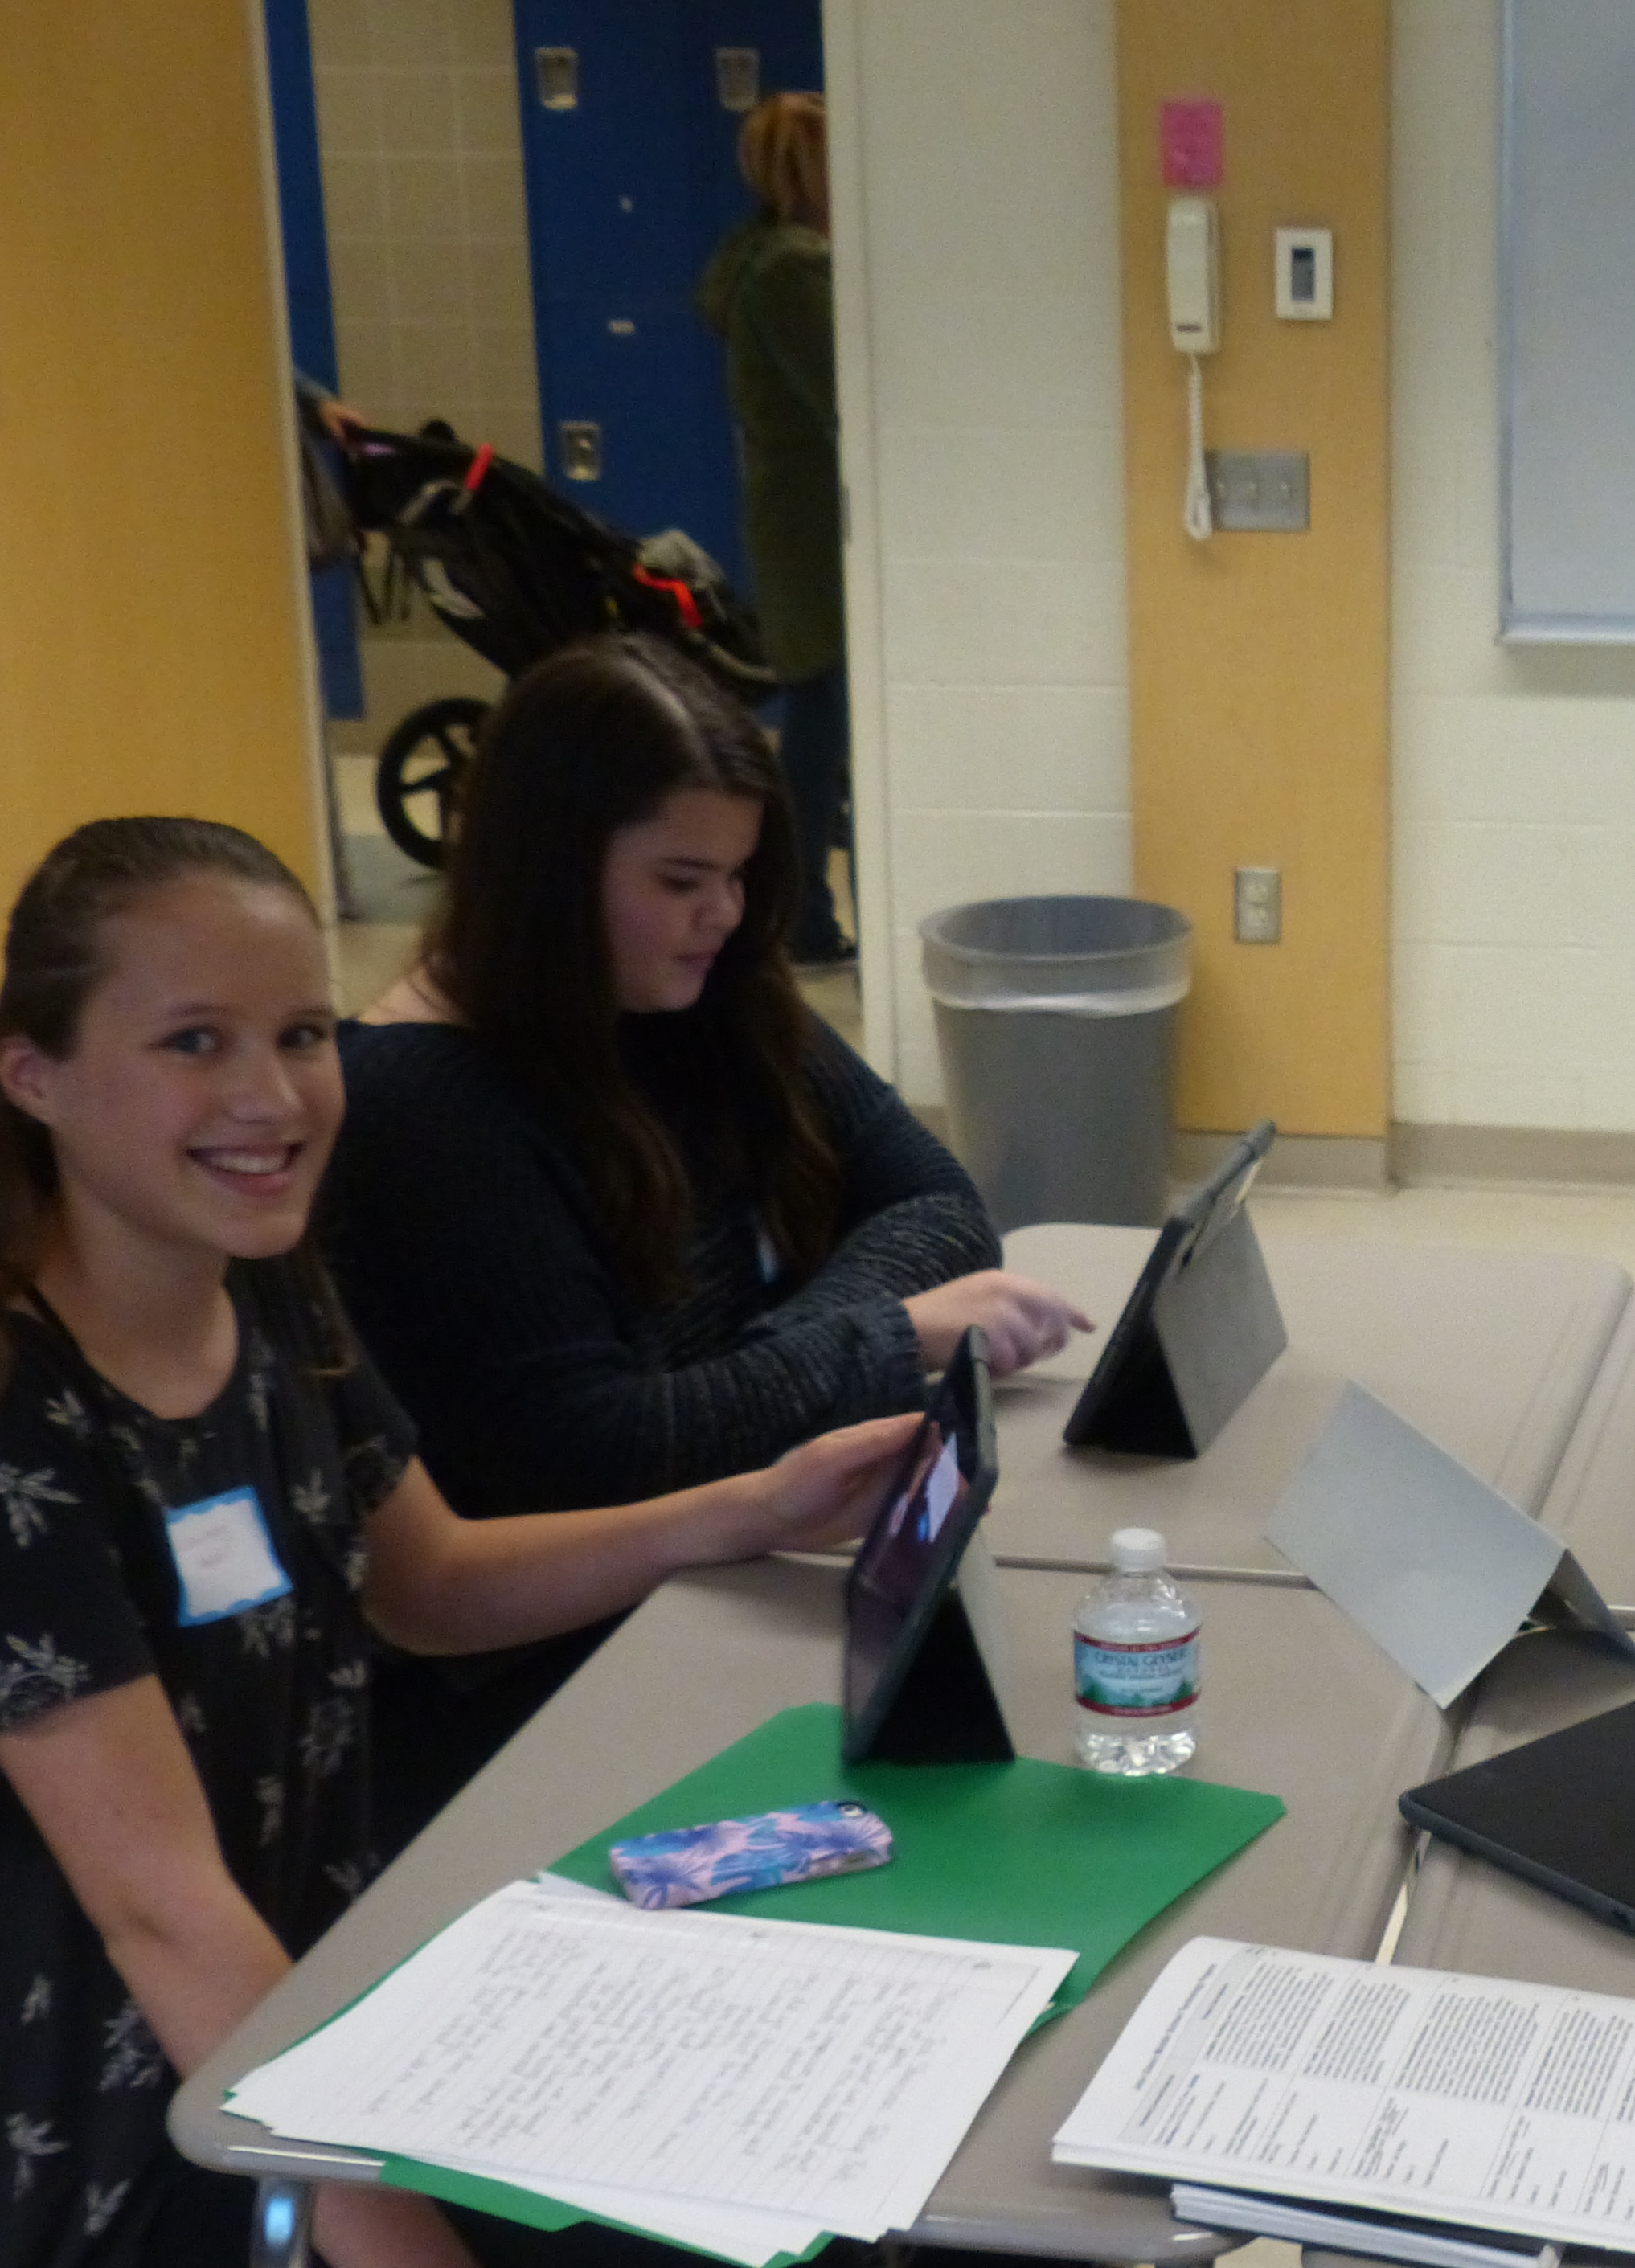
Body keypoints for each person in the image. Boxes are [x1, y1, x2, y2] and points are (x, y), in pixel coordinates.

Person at [0, 817, 908, 2268]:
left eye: (302, 1035)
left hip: (316, 2005)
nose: (271, 1098)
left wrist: (752, 1508)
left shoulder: (259, 1277)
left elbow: (426, 1586)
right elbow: (162, 1910)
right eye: (194, 1043)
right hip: (90, 2147)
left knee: (772, 2170)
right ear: (35, 1075)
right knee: (735, 2256)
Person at [326, 635, 1082, 1836]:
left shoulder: (697, 995)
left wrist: (763, 1373)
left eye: (736, 875)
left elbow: (941, 1207)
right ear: (547, 870)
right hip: (547, 1681)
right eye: (681, 879)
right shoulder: (421, 1110)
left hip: (723, 1562)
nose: (722, 915)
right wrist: (884, 1337)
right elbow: (604, 1456)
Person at [699, 89, 851, 964]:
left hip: (799, 517)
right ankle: (799, 916)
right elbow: (843, 399)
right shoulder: (789, 271)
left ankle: (801, 912)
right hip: (816, 525)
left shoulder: (766, 259)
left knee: (821, 717)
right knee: (823, 721)